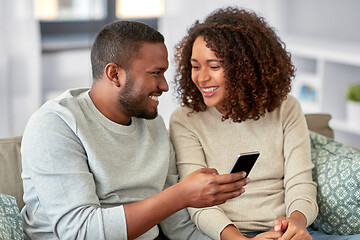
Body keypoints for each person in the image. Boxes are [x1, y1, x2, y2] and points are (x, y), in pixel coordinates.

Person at [20, 20, 250, 240]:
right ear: (114, 74)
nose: (164, 85)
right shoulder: (56, 124)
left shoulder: (152, 123)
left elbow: (177, 224)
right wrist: (181, 195)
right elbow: (80, 232)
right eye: (155, 73)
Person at [169, 7, 360, 240]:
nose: (201, 77)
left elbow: (300, 181)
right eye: (195, 66)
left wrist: (296, 224)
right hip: (229, 235)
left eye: (214, 66)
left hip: (285, 231)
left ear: (244, 68)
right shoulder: (186, 119)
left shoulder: (286, 108)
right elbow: (198, 204)